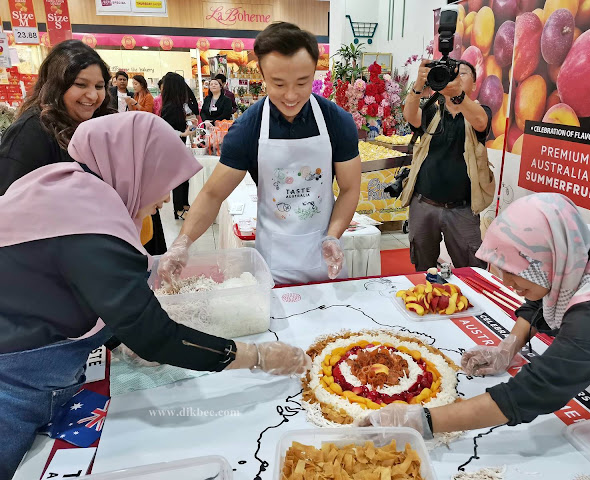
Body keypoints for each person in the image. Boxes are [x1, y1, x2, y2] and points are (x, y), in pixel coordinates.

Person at [0, 112, 311, 479]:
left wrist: (118, 337)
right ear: (134, 168)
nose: (165, 198)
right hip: (13, 385)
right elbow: (157, 336)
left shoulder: (69, 186)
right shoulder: (88, 223)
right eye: (163, 180)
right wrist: (257, 356)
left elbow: (74, 284)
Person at [362, 193, 590, 440]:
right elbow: (541, 297)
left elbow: (535, 392)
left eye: (515, 270)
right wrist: (508, 348)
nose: (506, 282)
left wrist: (422, 420)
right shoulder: (572, 242)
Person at [158, 22, 361, 286]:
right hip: (273, 262)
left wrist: (333, 236)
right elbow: (212, 194)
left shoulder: (336, 121)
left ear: (314, 74)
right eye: (278, 84)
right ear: (263, 76)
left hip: (326, 257)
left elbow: (349, 188)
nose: (291, 96)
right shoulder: (248, 128)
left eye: (302, 82)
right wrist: (182, 243)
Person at [401, 59, 495, 271]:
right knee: (424, 269)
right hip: (423, 204)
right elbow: (410, 115)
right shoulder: (432, 111)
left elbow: (481, 122)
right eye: (451, 74)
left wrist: (458, 96)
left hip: (462, 209)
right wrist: (419, 82)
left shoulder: (479, 112)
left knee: (472, 269)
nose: (455, 78)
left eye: (461, 74)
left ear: (473, 85)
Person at [0, 39, 111, 195]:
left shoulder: (96, 124)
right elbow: (8, 202)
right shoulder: (31, 133)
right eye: (80, 84)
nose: (93, 95)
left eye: (99, 86)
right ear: (55, 86)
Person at [160, 72, 195, 220]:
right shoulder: (171, 107)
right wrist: (182, 134)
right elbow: (165, 129)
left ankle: (185, 204)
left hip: (178, 145)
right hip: (173, 146)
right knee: (179, 178)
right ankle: (179, 209)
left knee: (184, 176)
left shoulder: (177, 105)